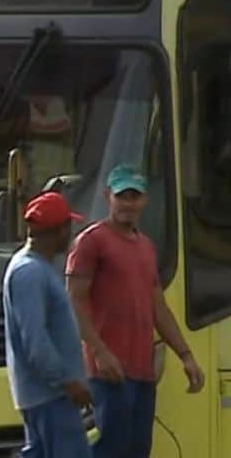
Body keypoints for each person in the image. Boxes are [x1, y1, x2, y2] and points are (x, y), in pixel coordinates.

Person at [66, 163, 205, 458]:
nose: (128, 203)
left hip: (142, 372)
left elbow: (159, 308)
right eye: (122, 196)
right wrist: (99, 351)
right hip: (109, 374)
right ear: (108, 197)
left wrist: (186, 355)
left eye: (135, 196)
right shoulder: (91, 241)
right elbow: (74, 301)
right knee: (110, 449)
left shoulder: (146, 247)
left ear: (144, 200)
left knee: (138, 450)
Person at [3, 191, 93, 458]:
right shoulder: (29, 273)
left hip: (48, 396)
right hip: (51, 398)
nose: (71, 233)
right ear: (58, 230)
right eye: (68, 226)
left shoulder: (36, 267)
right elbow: (36, 342)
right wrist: (69, 383)